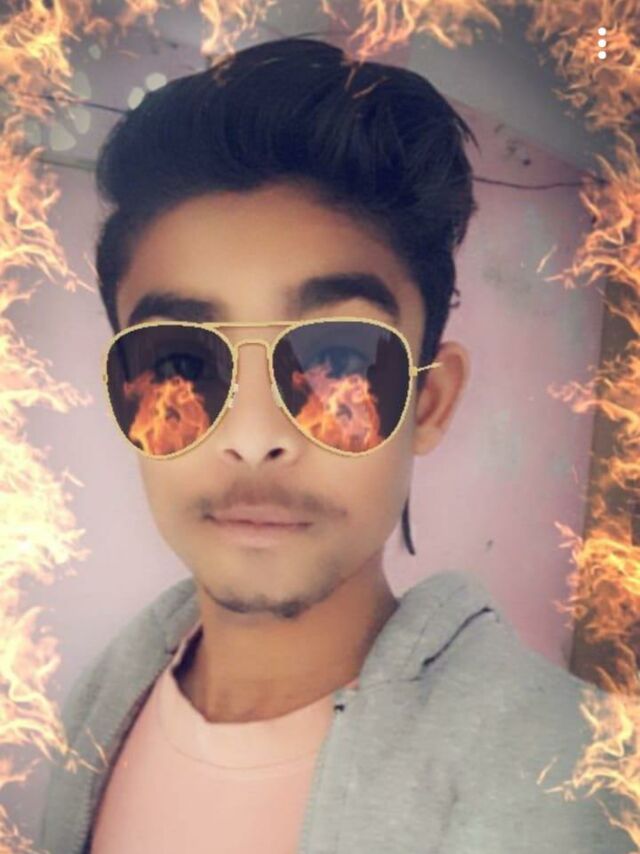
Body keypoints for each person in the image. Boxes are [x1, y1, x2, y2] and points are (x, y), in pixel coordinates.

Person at [35, 34, 630, 854]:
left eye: (342, 362)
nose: (253, 439)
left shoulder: (574, 786)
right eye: (179, 364)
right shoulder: (91, 715)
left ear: (429, 402)